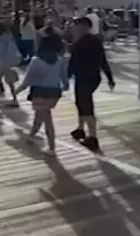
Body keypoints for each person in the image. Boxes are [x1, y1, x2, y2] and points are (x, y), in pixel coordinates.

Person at [15, 34, 69, 155]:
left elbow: (27, 80)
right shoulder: (59, 60)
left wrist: (17, 91)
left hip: (39, 92)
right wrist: (66, 86)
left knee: (47, 120)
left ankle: (52, 148)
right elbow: (64, 78)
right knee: (40, 116)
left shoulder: (36, 61)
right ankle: (31, 136)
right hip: (55, 93)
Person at [67, 15, 114, 153]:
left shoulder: (79, 43)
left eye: (76, 25)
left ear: (83, 27)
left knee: (86, 105)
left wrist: (65, 78)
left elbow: (72, 63)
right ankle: (80, 129)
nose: (73, 28)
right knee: (81, 102)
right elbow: (102, 60)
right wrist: (110, 78)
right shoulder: (96, 41)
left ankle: (93, 137)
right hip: (93, 77)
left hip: (83, 77)